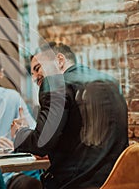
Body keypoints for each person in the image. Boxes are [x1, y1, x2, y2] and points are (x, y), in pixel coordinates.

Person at [11, 42, 129, 189]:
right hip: (118, 182)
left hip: (76, 183)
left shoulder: (54, 83)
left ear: (60, 60)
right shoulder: (110, 81)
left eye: (38, 68)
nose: (35, 78)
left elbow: (41, 144)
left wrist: (20, 132)